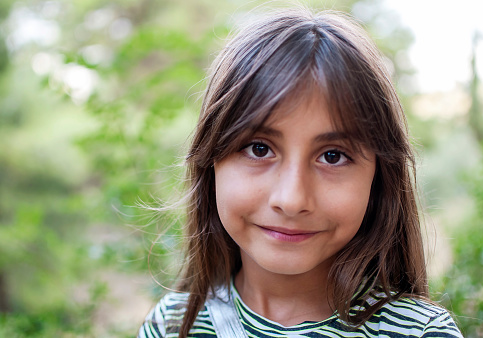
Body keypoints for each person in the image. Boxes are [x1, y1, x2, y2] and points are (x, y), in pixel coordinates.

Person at [138, 6, 463, 338]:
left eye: (333, 156)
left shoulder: (419, 333)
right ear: (211, 163)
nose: (292, 200)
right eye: (259, 149)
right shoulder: (171, 327)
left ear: (379, 180)